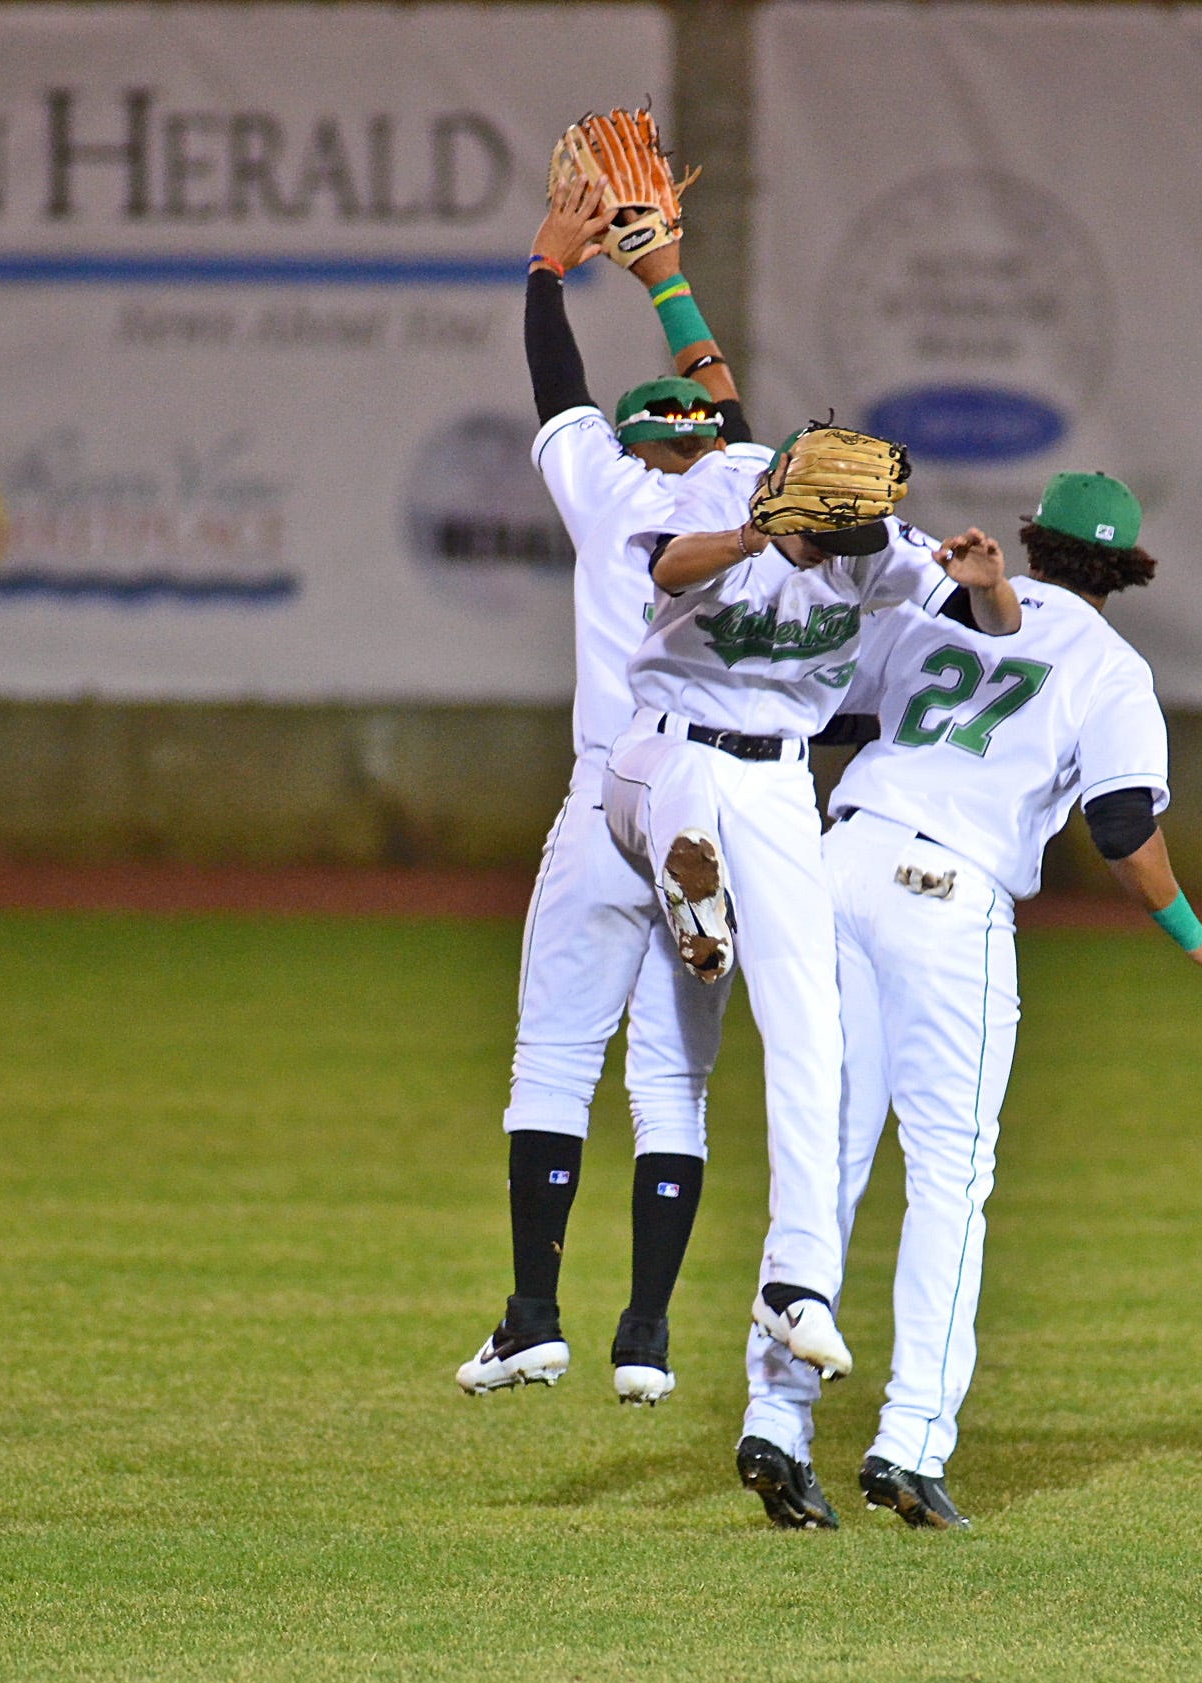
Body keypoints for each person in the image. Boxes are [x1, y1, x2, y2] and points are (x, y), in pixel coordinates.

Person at [741, 472, 1202, 1529]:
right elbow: (1119, 824)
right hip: (945, 897)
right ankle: (910, 1441)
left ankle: (776, 1421)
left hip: (840, 864)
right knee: (948, 1178)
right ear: (1124, 570)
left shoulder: (936, 609)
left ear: (1036, 541)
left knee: (826, 1158)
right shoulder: (1111, 669)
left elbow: (829, 716)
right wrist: (1191, 933)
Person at [612, 432, 1024, 1527]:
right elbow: (663, 568)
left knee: (818, 1063)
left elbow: (962, 600)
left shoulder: (875, 549)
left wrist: (976, 576)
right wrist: (758, 529)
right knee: (677, 820)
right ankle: (692, 891)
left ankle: (794, 1304)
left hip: (786, 792)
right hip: (663, 752)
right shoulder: (721, 516)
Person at [455, 178, 766, 1406]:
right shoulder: (745, 491)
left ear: (641, 440)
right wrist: (665, 278)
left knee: (551, 1061)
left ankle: (534, 1313)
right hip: (716, 797)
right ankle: (646, 1333)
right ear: (711, 445)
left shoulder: (609, 492)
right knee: (673, 1084)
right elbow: (731, 403)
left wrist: (548, 266)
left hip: (607, 794)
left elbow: (556, 387)